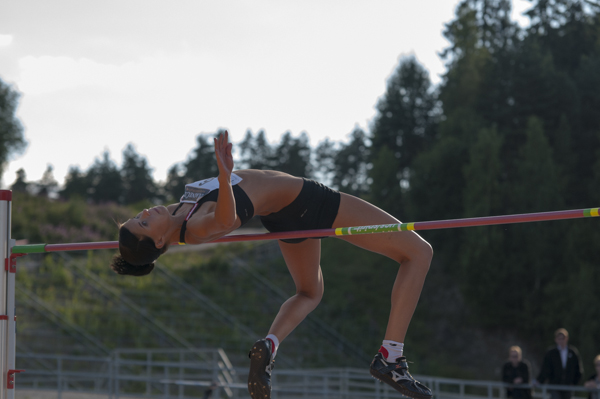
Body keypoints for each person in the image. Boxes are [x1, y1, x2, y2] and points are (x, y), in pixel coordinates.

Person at [110, 131, 434, 399]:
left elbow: (143, 247)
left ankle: (269, 345)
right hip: (307, 202)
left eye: (138, 216)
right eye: (143, 223)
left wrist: (128, 251)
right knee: (419, 252)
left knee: (309, 292)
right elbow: (225, 221)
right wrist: (224, 177)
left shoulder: (176, 214)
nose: (146, 213)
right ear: (159, 242)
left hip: (284, 216)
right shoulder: (193, 229)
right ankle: (390, 357)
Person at [534, 328, 583, 399]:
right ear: (556, 340)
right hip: (554, 386)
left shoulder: (572, 352)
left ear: (566, 339)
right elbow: (545, 369)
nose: (561, 341)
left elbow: (578, 370)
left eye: (563, 338)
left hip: (567, 387)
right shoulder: (551, 353)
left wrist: (574, 383)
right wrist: (539, 380)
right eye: (559, 339)